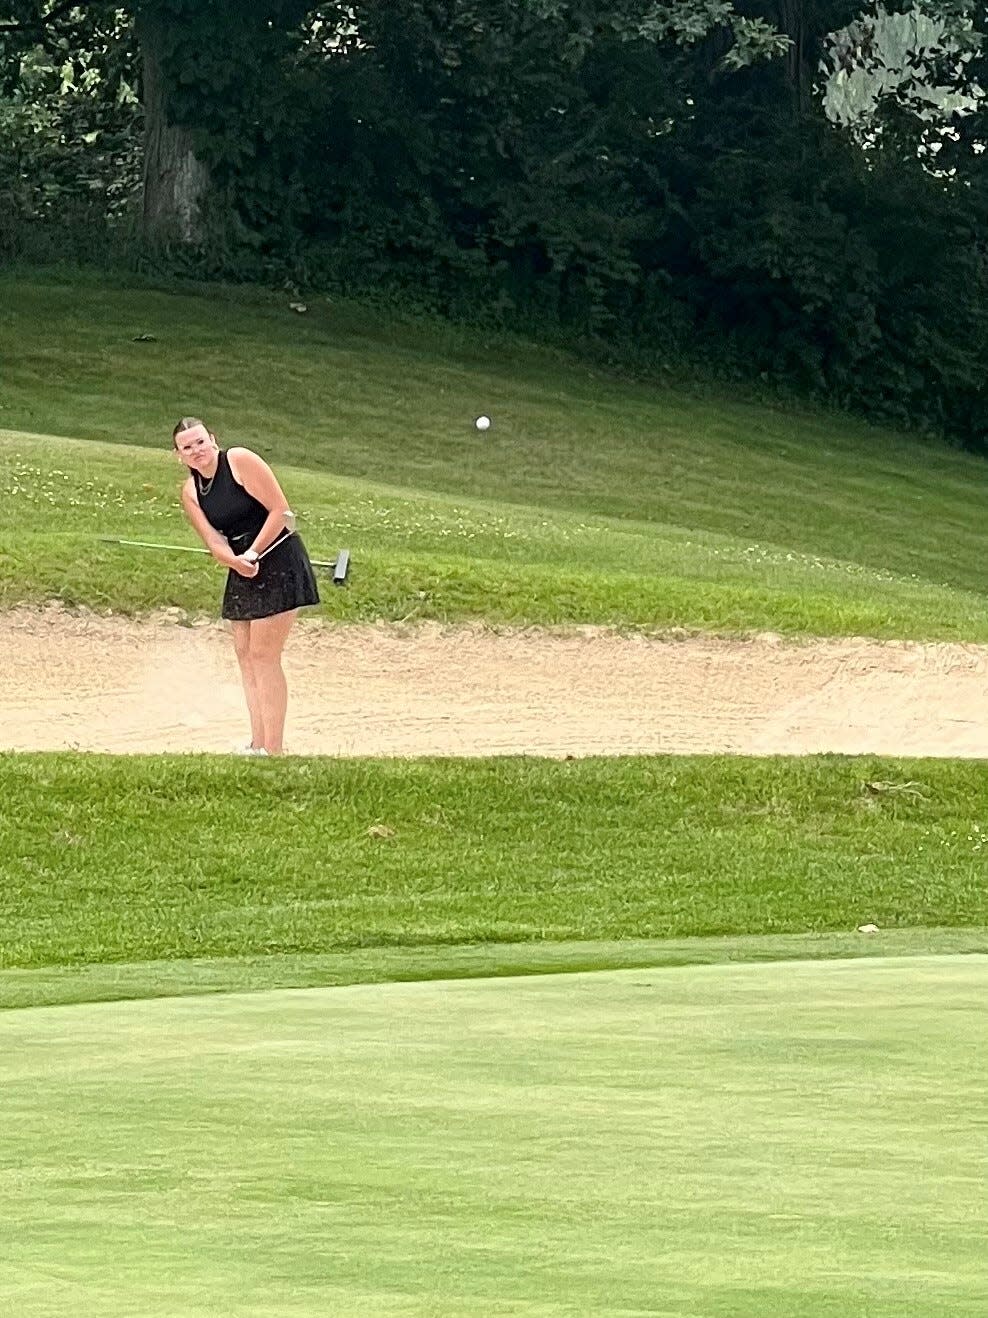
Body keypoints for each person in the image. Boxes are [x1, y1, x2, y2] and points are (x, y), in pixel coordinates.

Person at [172, 417, 319, 756]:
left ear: (213, 439)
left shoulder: (239, 460)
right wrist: (233, 561)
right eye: (187, 447)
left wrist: (252, 553)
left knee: (264, 655)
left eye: (200, 442)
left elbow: (280, 511)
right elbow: (213, 539)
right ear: (178, 455)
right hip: (242, 566)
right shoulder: (191, 490)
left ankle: (275, 750)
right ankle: (257, 743)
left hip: (277, 556)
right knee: (245, 655)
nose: (197, 451)